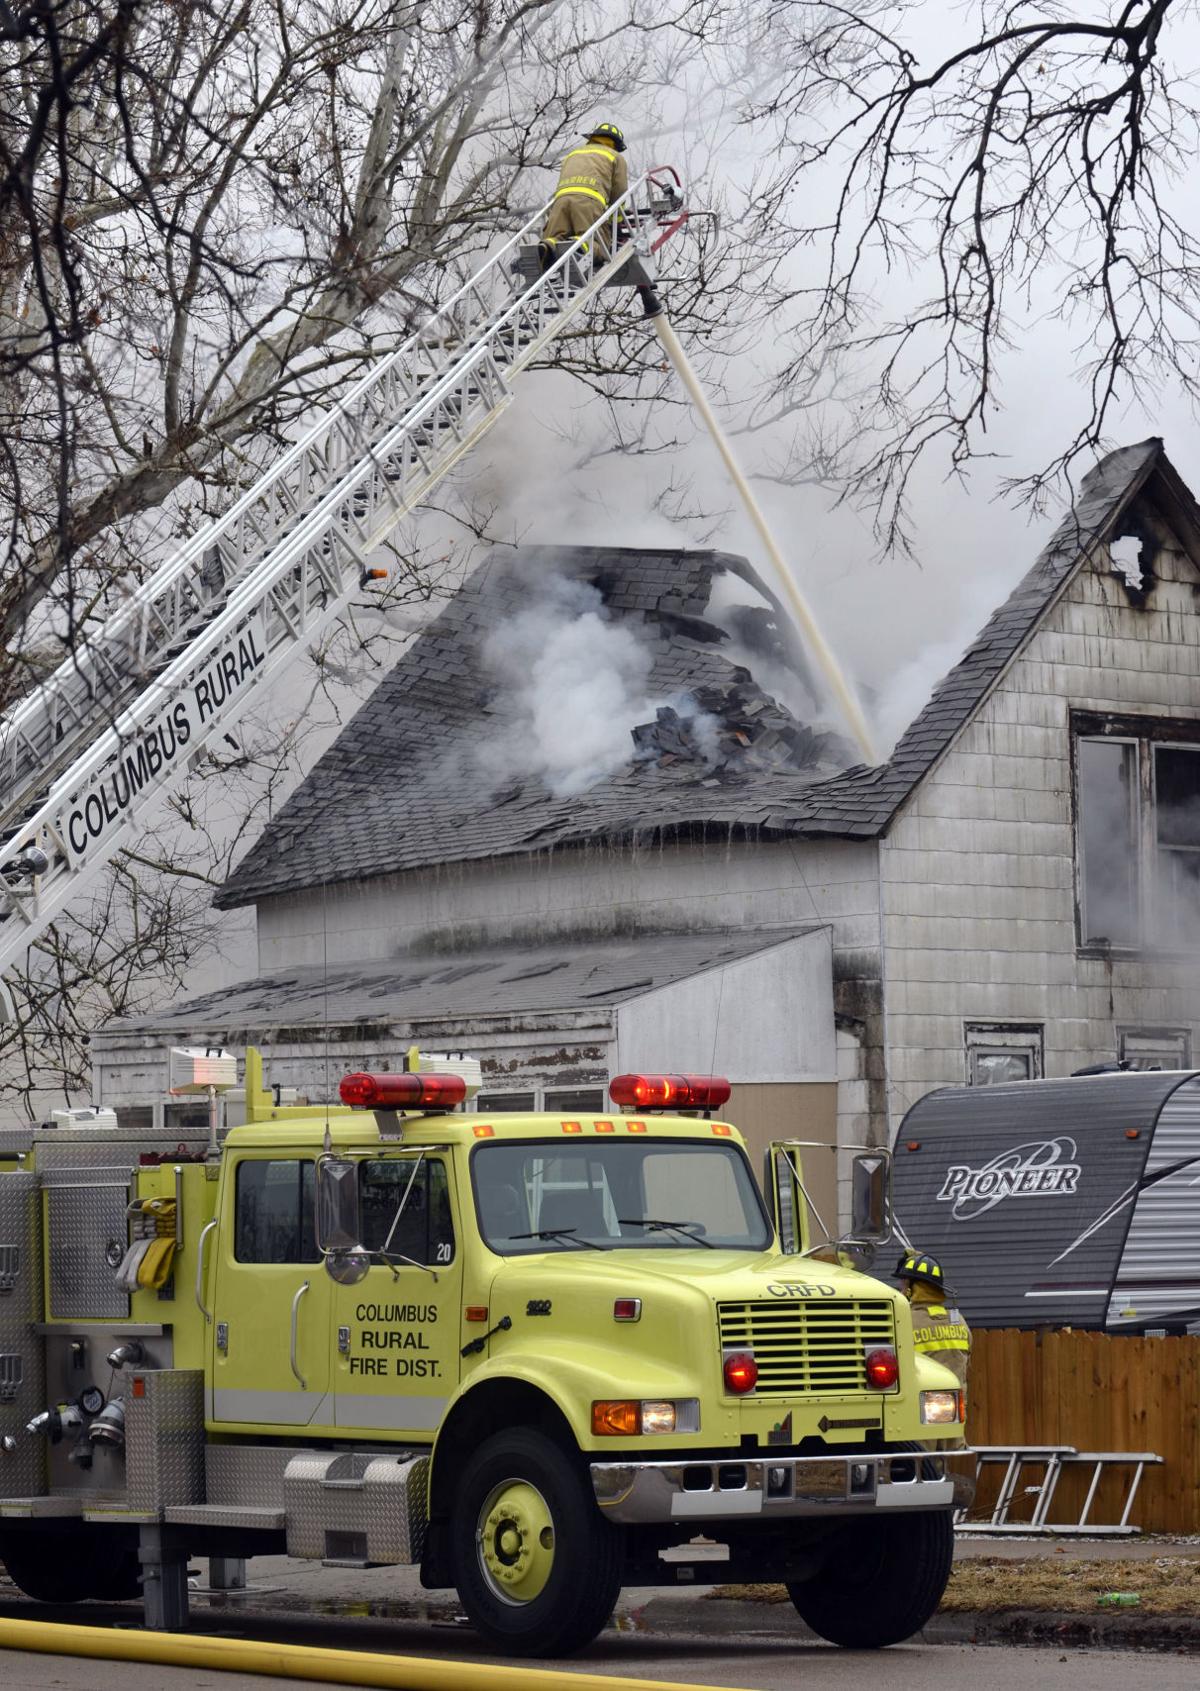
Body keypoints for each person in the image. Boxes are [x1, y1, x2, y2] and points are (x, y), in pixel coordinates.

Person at [539, 122, 663, 318]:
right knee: (600, 246)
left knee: (556, 237)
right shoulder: (615, 157)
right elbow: (619, 194)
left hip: (560, 201)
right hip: (589, 203)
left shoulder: (574, 154)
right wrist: (618, 219)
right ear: (615, 144)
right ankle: (580, 247)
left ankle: (548, 246)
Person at [896, 1249, 971, 1387]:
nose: (900, 1290)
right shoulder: (959, 1321)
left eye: (903, 1284)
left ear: (912, 1289)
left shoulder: (903, 1322)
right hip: (955, 1405)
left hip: (917, 1405)